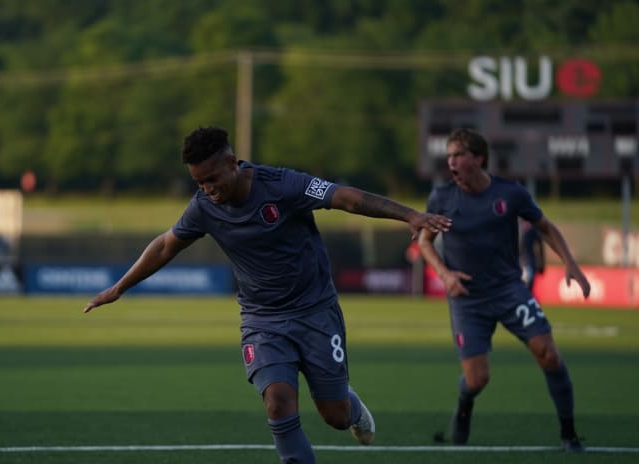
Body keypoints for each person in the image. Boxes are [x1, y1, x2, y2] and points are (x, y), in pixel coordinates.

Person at [83, 126, 452, 463]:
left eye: (212, 178)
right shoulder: (203, 207)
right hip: (262, 321)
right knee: (277, 403)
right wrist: (119, 287)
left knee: (335, 416)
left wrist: (409, 215)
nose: (207, 189)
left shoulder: (283, 185)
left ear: (233, 163)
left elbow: (346, 198)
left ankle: (351, 407)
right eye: (199, 182)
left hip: (315, 311)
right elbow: (166, 245)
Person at [417, 128, 591, 453]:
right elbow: (425, 242)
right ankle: (464, 403)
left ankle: (569, 434)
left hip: (509, 290)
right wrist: (444, 274)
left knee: (549, 354)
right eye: (449, 156)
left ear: (478, 158)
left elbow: (545, 227)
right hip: (467, 299)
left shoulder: (510, 193)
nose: (451, 162)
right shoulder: (441, 198)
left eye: (458, 155)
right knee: (477, 379)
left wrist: (570, 262)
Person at [519, 218, 545, 291]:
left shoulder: (529, 225)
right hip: (525, 263)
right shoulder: (531, 224)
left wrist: (541, 263)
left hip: (525, 263)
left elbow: (539, 245)